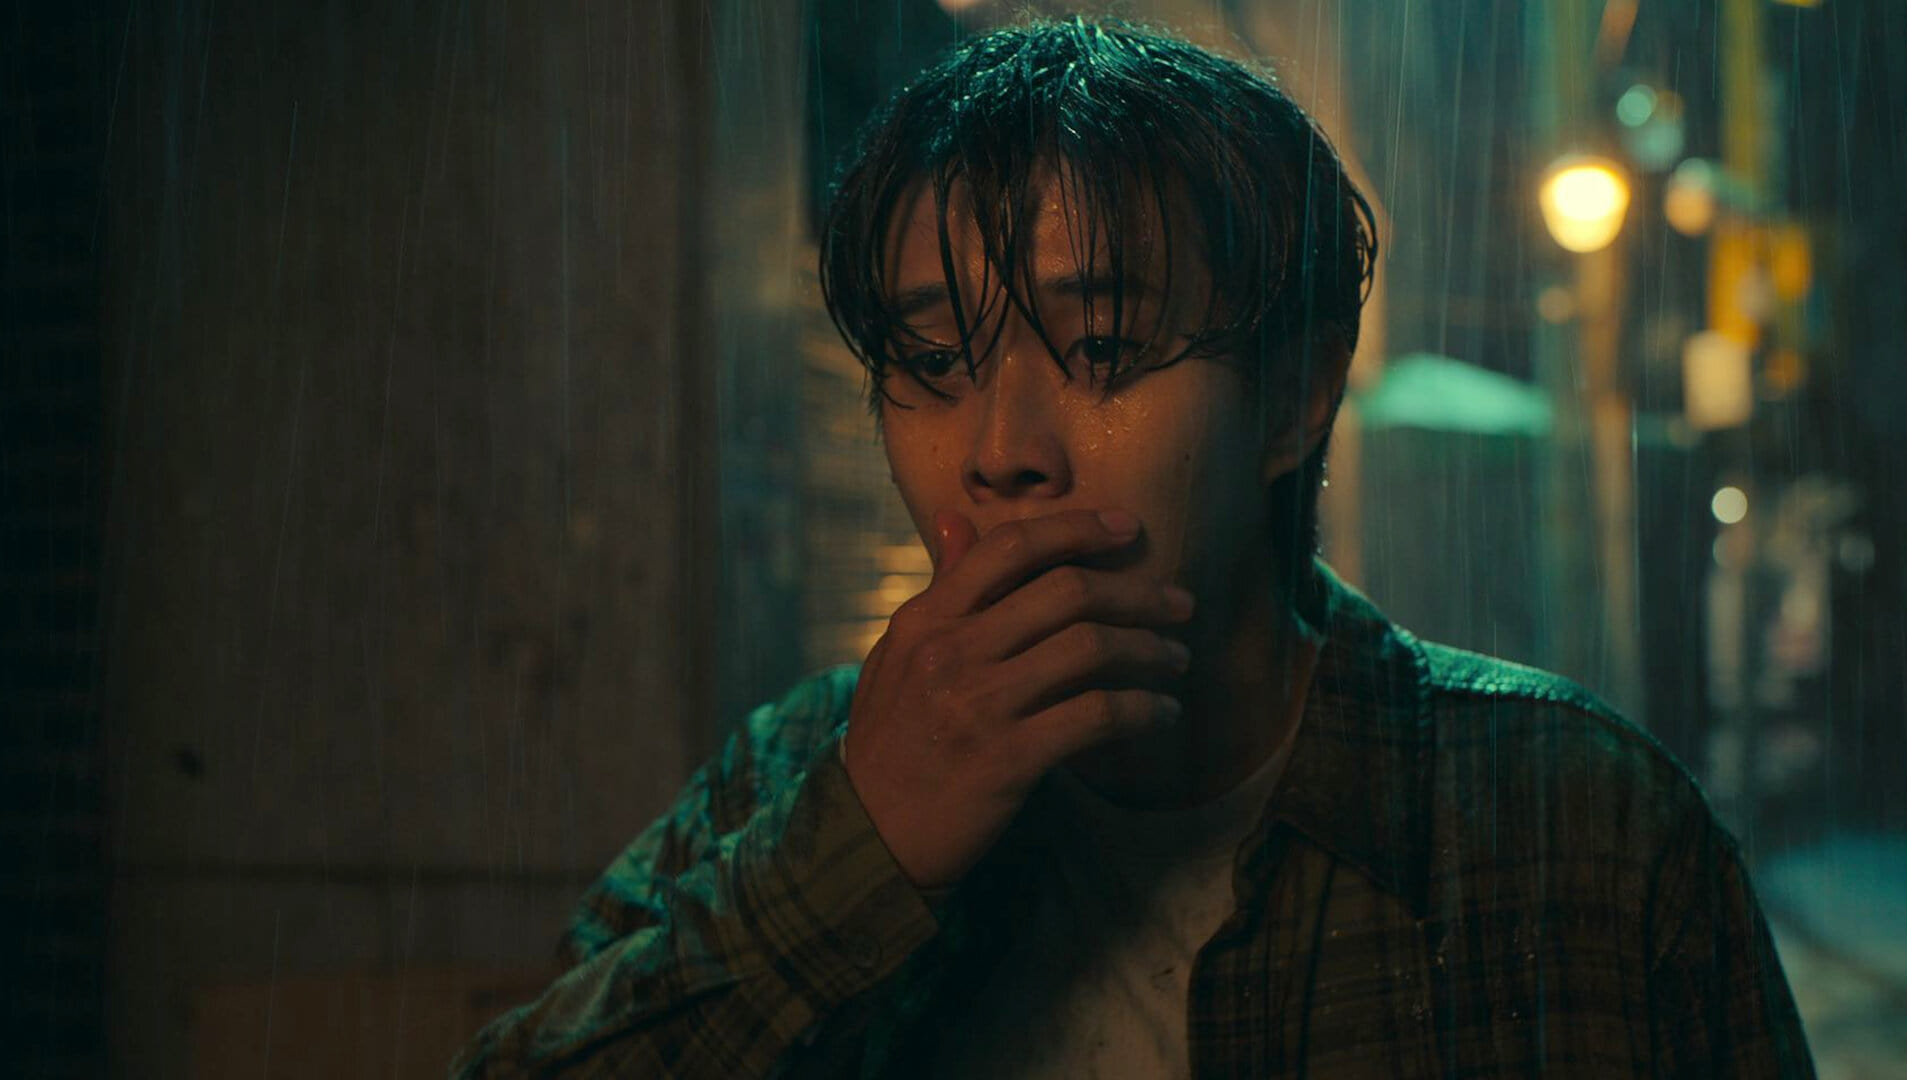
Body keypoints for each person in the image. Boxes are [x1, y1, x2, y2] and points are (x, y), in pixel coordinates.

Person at [452, 17, 1813, 1078]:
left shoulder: (1572, 829)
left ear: (1293, 397)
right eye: (933, 360)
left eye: (1101, 348)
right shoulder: (797, 776)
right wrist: (860, 851)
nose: (1002, 450)